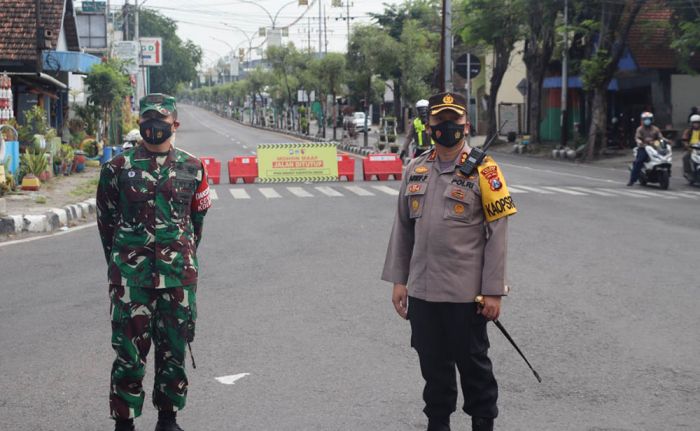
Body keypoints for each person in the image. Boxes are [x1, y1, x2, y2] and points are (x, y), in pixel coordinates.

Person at [382, 92, 517, 431]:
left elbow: (497, 234)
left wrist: (493, 291)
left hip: (465, 295)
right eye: (439, 122)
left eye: (453, 121)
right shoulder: (416, 169)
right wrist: (400, 281)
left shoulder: (486, 171)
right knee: (432, 366)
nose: (446, 128)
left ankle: (483, 423)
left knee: (473, 366)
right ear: (429, 126)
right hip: (424, 293)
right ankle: (437, 423)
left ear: (465, 125)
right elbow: (403, 229)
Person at [97, 93, 212, 431]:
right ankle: (124, 421)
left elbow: (197, 221)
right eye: (147, 122)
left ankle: (168, 418)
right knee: (129, 356)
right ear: (139, 124)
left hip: (178, 278)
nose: (153, 128)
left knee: (174, 352)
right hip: (132, 280)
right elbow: (106, 223)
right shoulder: (117, 168)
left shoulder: (193, 167)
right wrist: (121, 265)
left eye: (161, 122)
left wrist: (183, 257)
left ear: (175, 124)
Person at [628, 112, 662, 186]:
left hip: (655, 148)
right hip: (644, 147)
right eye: (645, 119)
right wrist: (640, 142)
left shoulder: (656, 129)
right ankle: (632, 180)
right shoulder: (640, 129)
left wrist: (665, 141)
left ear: (652, 120)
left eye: (649, 119)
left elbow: (660, 138)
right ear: (642, 120)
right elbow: (637, 138)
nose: (647, 121)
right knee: (639, 161)